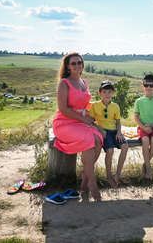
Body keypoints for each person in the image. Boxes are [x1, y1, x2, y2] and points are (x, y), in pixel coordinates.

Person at [52, 52, 103, 201]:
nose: (77, 65)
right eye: (73, 63)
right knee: (89, 140)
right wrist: (83, 119)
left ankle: (85, 179)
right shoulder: (64, 83)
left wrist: (91, 118)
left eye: (79, 62)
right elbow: (63, 109)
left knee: (99, 139)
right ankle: (92, 185)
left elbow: (85, 105)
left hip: (81, 121)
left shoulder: (83, 82)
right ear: (67, 66)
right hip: (65, 122)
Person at [90, 80, 128, 188]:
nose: (107, 94)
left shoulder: (115, 106)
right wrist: (100, 130)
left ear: (113, 93)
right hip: (104, 132)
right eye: (105, 92)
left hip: (114, 131)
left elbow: (118, 121)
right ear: (100, 93)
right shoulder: (95, 105)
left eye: (110, 92)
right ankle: (108, 176)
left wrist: (119, 132)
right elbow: (91, 121)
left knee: (125, 146)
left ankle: (117, 175)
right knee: (110, 150)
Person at [134, 74, 153, 179]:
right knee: (146, 141)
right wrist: (143, 127)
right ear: (143, 86)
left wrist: (152, 125)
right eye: (146, 85)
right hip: (142, 127)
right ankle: (149, 168)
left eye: (151, 85)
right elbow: (136, 118)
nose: (148, 88)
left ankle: (145, 164)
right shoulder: (139, 101)